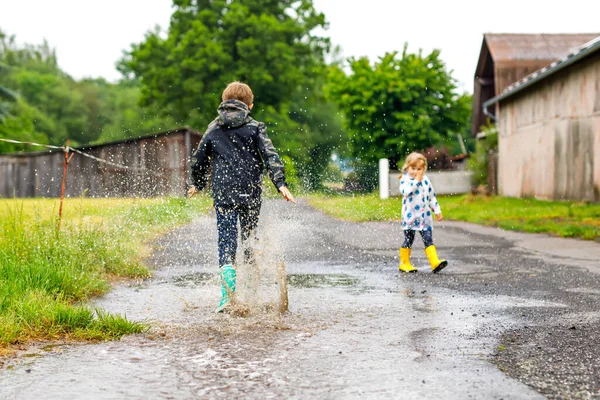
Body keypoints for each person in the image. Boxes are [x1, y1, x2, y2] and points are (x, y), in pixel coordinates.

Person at [187, 81, 296, 312]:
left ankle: (227, 298)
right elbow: (270, 155)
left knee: (226, 243)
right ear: (250, 105)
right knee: (249, 239)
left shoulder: (214, 128)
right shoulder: (256, 127)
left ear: (223, 102)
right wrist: (280, 184)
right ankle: (248, 295)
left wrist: (197, 183)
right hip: (250, 194)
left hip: (224, 195)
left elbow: (199, 159)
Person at [398, 152, 448, 273]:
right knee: (409, 239)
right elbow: (406, 192)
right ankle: (404, 263)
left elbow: (432, 197)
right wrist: (416, 181)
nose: (416, 172)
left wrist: (437, 210)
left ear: (424, 168)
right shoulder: (405, 180)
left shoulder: (426, 181)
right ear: (407, 167)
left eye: (419, 169)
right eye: (413, 168)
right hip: (410, 217)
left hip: (424, 217)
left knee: (428, 239)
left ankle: (434, 262)